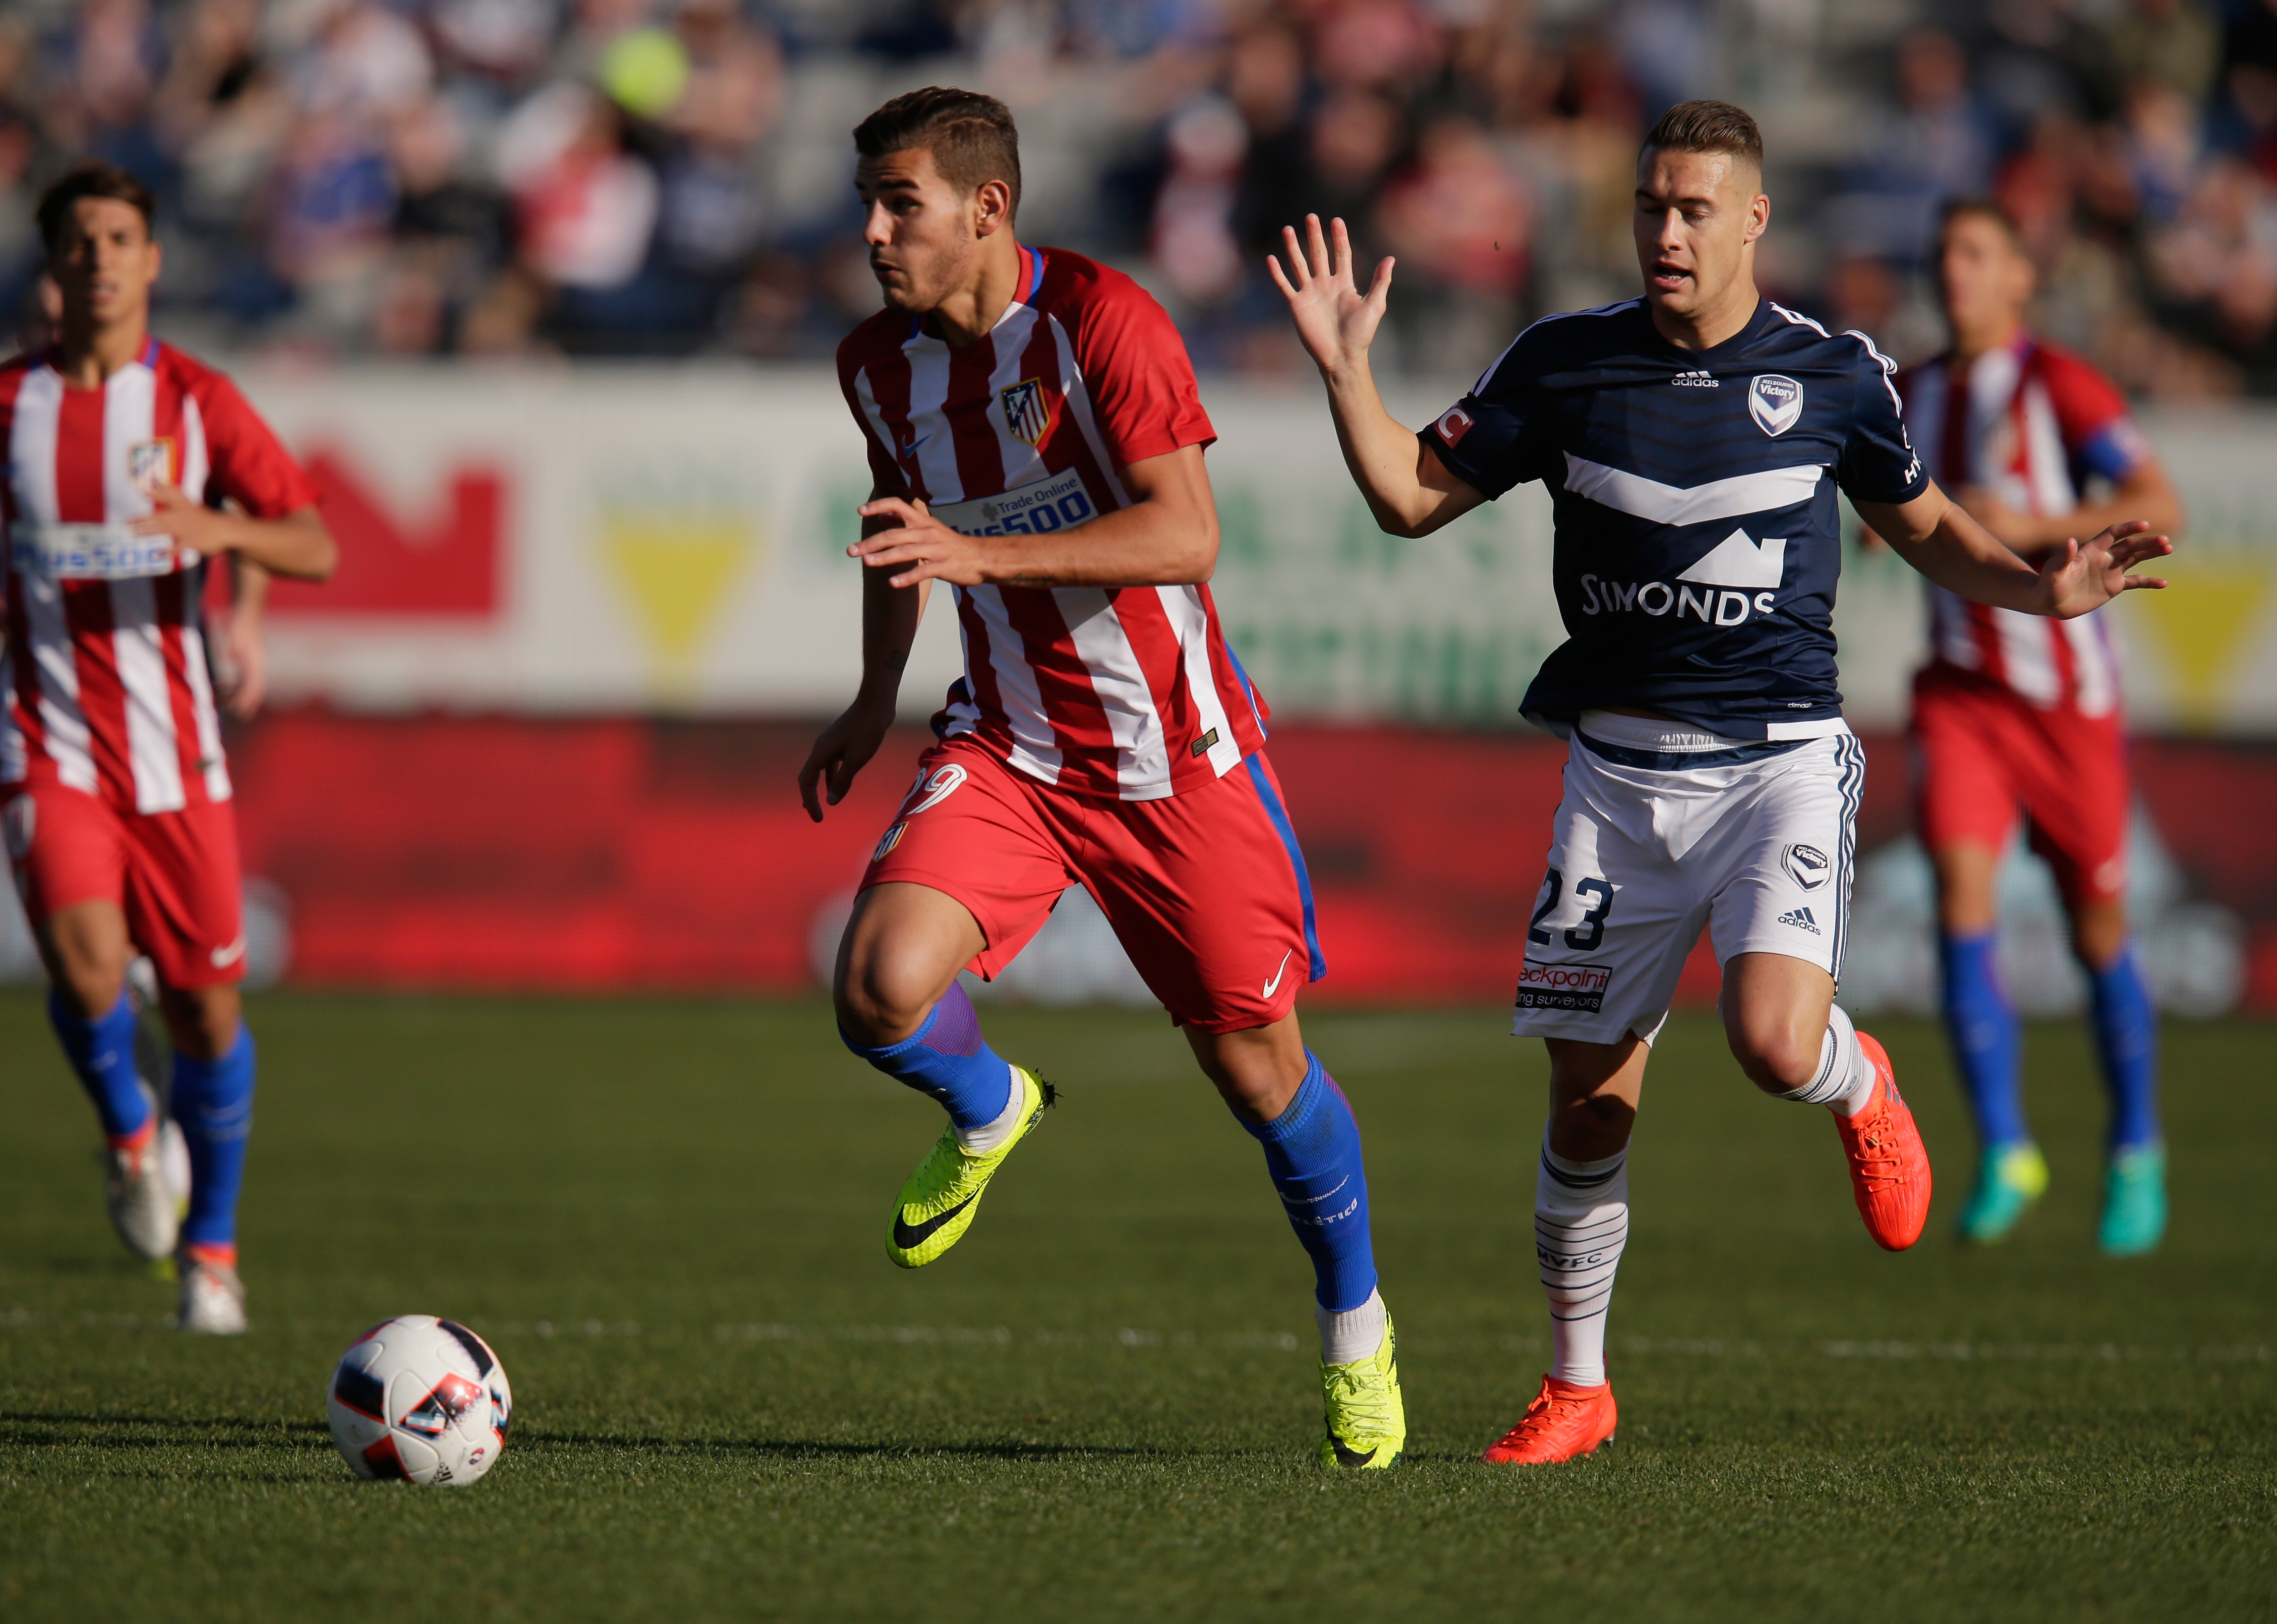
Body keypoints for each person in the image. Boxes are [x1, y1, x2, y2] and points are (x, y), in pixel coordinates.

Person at [1271, 100, 2170, 1464]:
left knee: (1765, 1039)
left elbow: (1923, 528)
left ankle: (1853, 1078)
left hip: (1775, 766)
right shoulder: (1563, 364)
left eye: (1694, 209)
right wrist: (1348, 370)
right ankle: (1576, 1384)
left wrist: (2037, 590)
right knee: (1585, 1100)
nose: (1666, 232)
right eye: (1648, 206)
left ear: (1753, 219)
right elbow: (1408, 497)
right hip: (1614, 781)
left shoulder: (1832, 374)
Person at [799, 87, 1404, 1468]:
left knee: (1260, 1080)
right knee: (876, 988)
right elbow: (905, 532)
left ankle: (1354, 1323)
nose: (876, 231)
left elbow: (1185, 534)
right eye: (868, 205)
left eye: (901, 203)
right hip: (1007, 749)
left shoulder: (1102, 322)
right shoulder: (874, 366)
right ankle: (987, 1102)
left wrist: (983, 556)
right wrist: (869, 697)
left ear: (986, 207)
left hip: (1177, 763)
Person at [0, 161, 335, 1333]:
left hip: (178, 757)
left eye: (120, 238)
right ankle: (131, 1133)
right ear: (54, 265)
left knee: (205, 1016)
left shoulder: (198, 400)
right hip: (49, 741)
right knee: (90, 972)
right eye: (79, 239)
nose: (100, 257)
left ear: (152, 260)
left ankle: (213, 1252)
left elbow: (313, 543)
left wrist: (219, 535)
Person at [1897, 199, 2183, 1255]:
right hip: (1962, 692)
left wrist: (2026, 525)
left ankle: (2135, 1148)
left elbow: (2163, 499)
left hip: (2067, 703)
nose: (1954, 272)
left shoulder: (2058, 383)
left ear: (2020, 277)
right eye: (1943, 253)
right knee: (1960, 898)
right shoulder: (1910, 389)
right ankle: (2008, 1146)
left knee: (2097, 931)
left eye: (1975, 254)